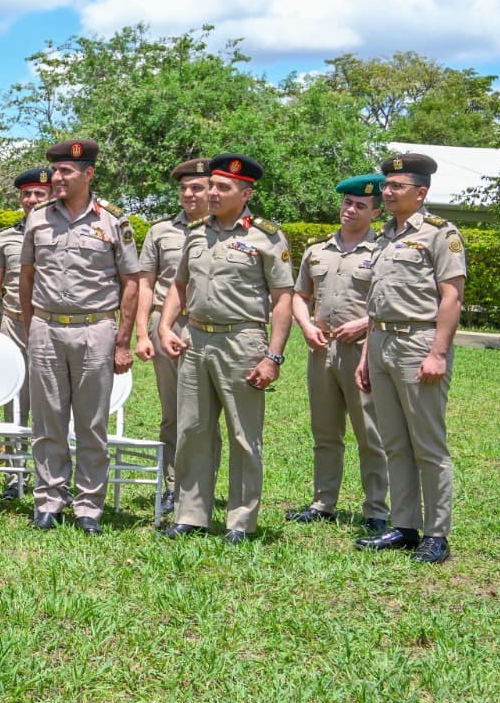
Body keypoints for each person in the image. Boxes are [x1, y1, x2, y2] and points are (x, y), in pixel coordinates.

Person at [158, 154, 293, 544]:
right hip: (196, 340)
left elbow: (283, 298)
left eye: (223, 188)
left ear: (245, 193)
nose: (212, 194)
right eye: (211, 186)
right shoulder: (197, 232)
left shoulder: (266, 236)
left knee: (243, 435)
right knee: (193, 430)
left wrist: (273, 355)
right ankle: (191, 514)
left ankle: (240, 521)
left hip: (243, 341)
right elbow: (179, 285)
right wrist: (167, 326)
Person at [17, 139, 138, 535]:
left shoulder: (113, 221)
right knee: (47, 421)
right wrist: (30, 326)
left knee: (92, 423)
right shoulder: (37, 219)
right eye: (54, 171)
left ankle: (88, 505)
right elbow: (27, 277)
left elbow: (130, 283)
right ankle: (49, 500)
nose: (57, 177)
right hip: (46, 328)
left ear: (88, 174)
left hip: (95, 328)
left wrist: (122, 341)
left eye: (66, 172)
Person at [355, 153, 466, 564]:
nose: (386, 192)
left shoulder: (441, 234)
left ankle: (436, 534)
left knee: (428, 445)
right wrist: (367, 356)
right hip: (382, 341)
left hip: (418, 343)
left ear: (421, 193)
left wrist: (438, 352)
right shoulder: (385, 235)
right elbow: (375, 302)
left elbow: (451, 296)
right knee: (395, 443)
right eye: (386, 186)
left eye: (395, 186)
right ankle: (403, 526)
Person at [287, 174, 390, 533]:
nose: (351, 209)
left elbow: (389, 304)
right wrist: (306, 325)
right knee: (325, 432)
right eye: (347, 203)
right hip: (322, 349)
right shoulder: (317, 250)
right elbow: (299, 296)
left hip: (363, 351)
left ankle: (377, 508)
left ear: (375, 212)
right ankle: (323, 502)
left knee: (370, 432)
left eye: (361, 205)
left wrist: (364, 324)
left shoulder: (382, 252)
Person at [132, 157, 211, 515]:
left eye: (196, 187)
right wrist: (142, 333)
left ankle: (202, 487)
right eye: (183, 188)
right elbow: (145, 283)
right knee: (173, 414)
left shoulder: (226, 230)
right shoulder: (160, 231)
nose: (188, 194)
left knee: (207, 415)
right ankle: (173, 486)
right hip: (166, 328)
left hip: (210, 328)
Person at [0, 167, 53, 432]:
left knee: (52, 395)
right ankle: (16, 465)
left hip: (51, 325)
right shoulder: (6, 238)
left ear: (52, 195)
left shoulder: (63, 232)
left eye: (39, 193)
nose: (32, 199)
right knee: (15, 394)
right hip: (14, 325)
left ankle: (49, 462)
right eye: (26, 194)